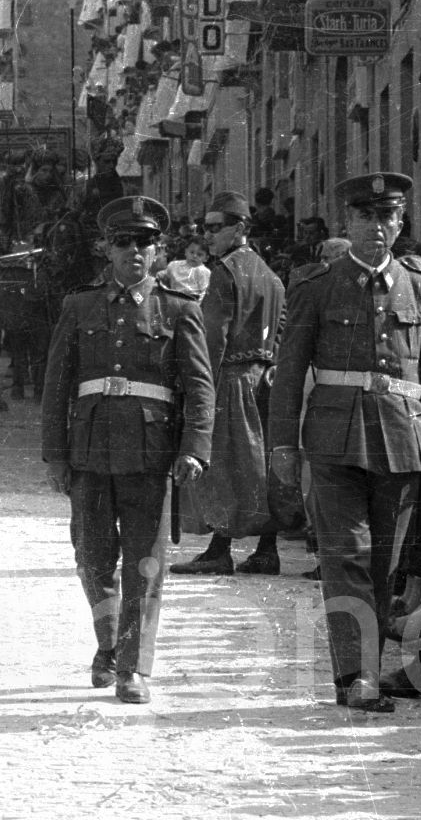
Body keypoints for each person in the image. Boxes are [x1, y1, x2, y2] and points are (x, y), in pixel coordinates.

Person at [268, 172, 421, 713]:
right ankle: (358, 677)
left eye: (389, 216)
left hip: (401, 438)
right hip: (331, 437)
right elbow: (289, 372)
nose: (378, 227)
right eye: (367, 217)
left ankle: (362, 671)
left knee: (384, 564)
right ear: (348, 222)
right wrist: (283, 444)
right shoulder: (316, 284)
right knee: (344, 556)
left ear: (401, 222)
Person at [42, 196, 214, 704]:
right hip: (90, 451)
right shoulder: (79, 305)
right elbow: (57, 384)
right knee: (92, 557)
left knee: (145, 562)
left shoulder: (179, 308)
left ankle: (133, 667)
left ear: (158, 250)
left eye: (144, 242)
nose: (134, 252)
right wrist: (55, 453)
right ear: (107, 248)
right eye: (123, 242)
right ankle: (108, 643)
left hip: (151, 452)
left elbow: (200, 387)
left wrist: (195, 448)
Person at [172, 191, 291, 576]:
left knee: (224, 462)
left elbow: (212, 337)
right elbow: (282, 328)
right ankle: (267, 549)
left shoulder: (226, 272)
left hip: (231, 377)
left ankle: (219, 550)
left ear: (239, 229)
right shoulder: (269, 274)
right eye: (203, 228)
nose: (206, 235)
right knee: (262, 464)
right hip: (265, 377)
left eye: (214, 228)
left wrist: (193, 381)